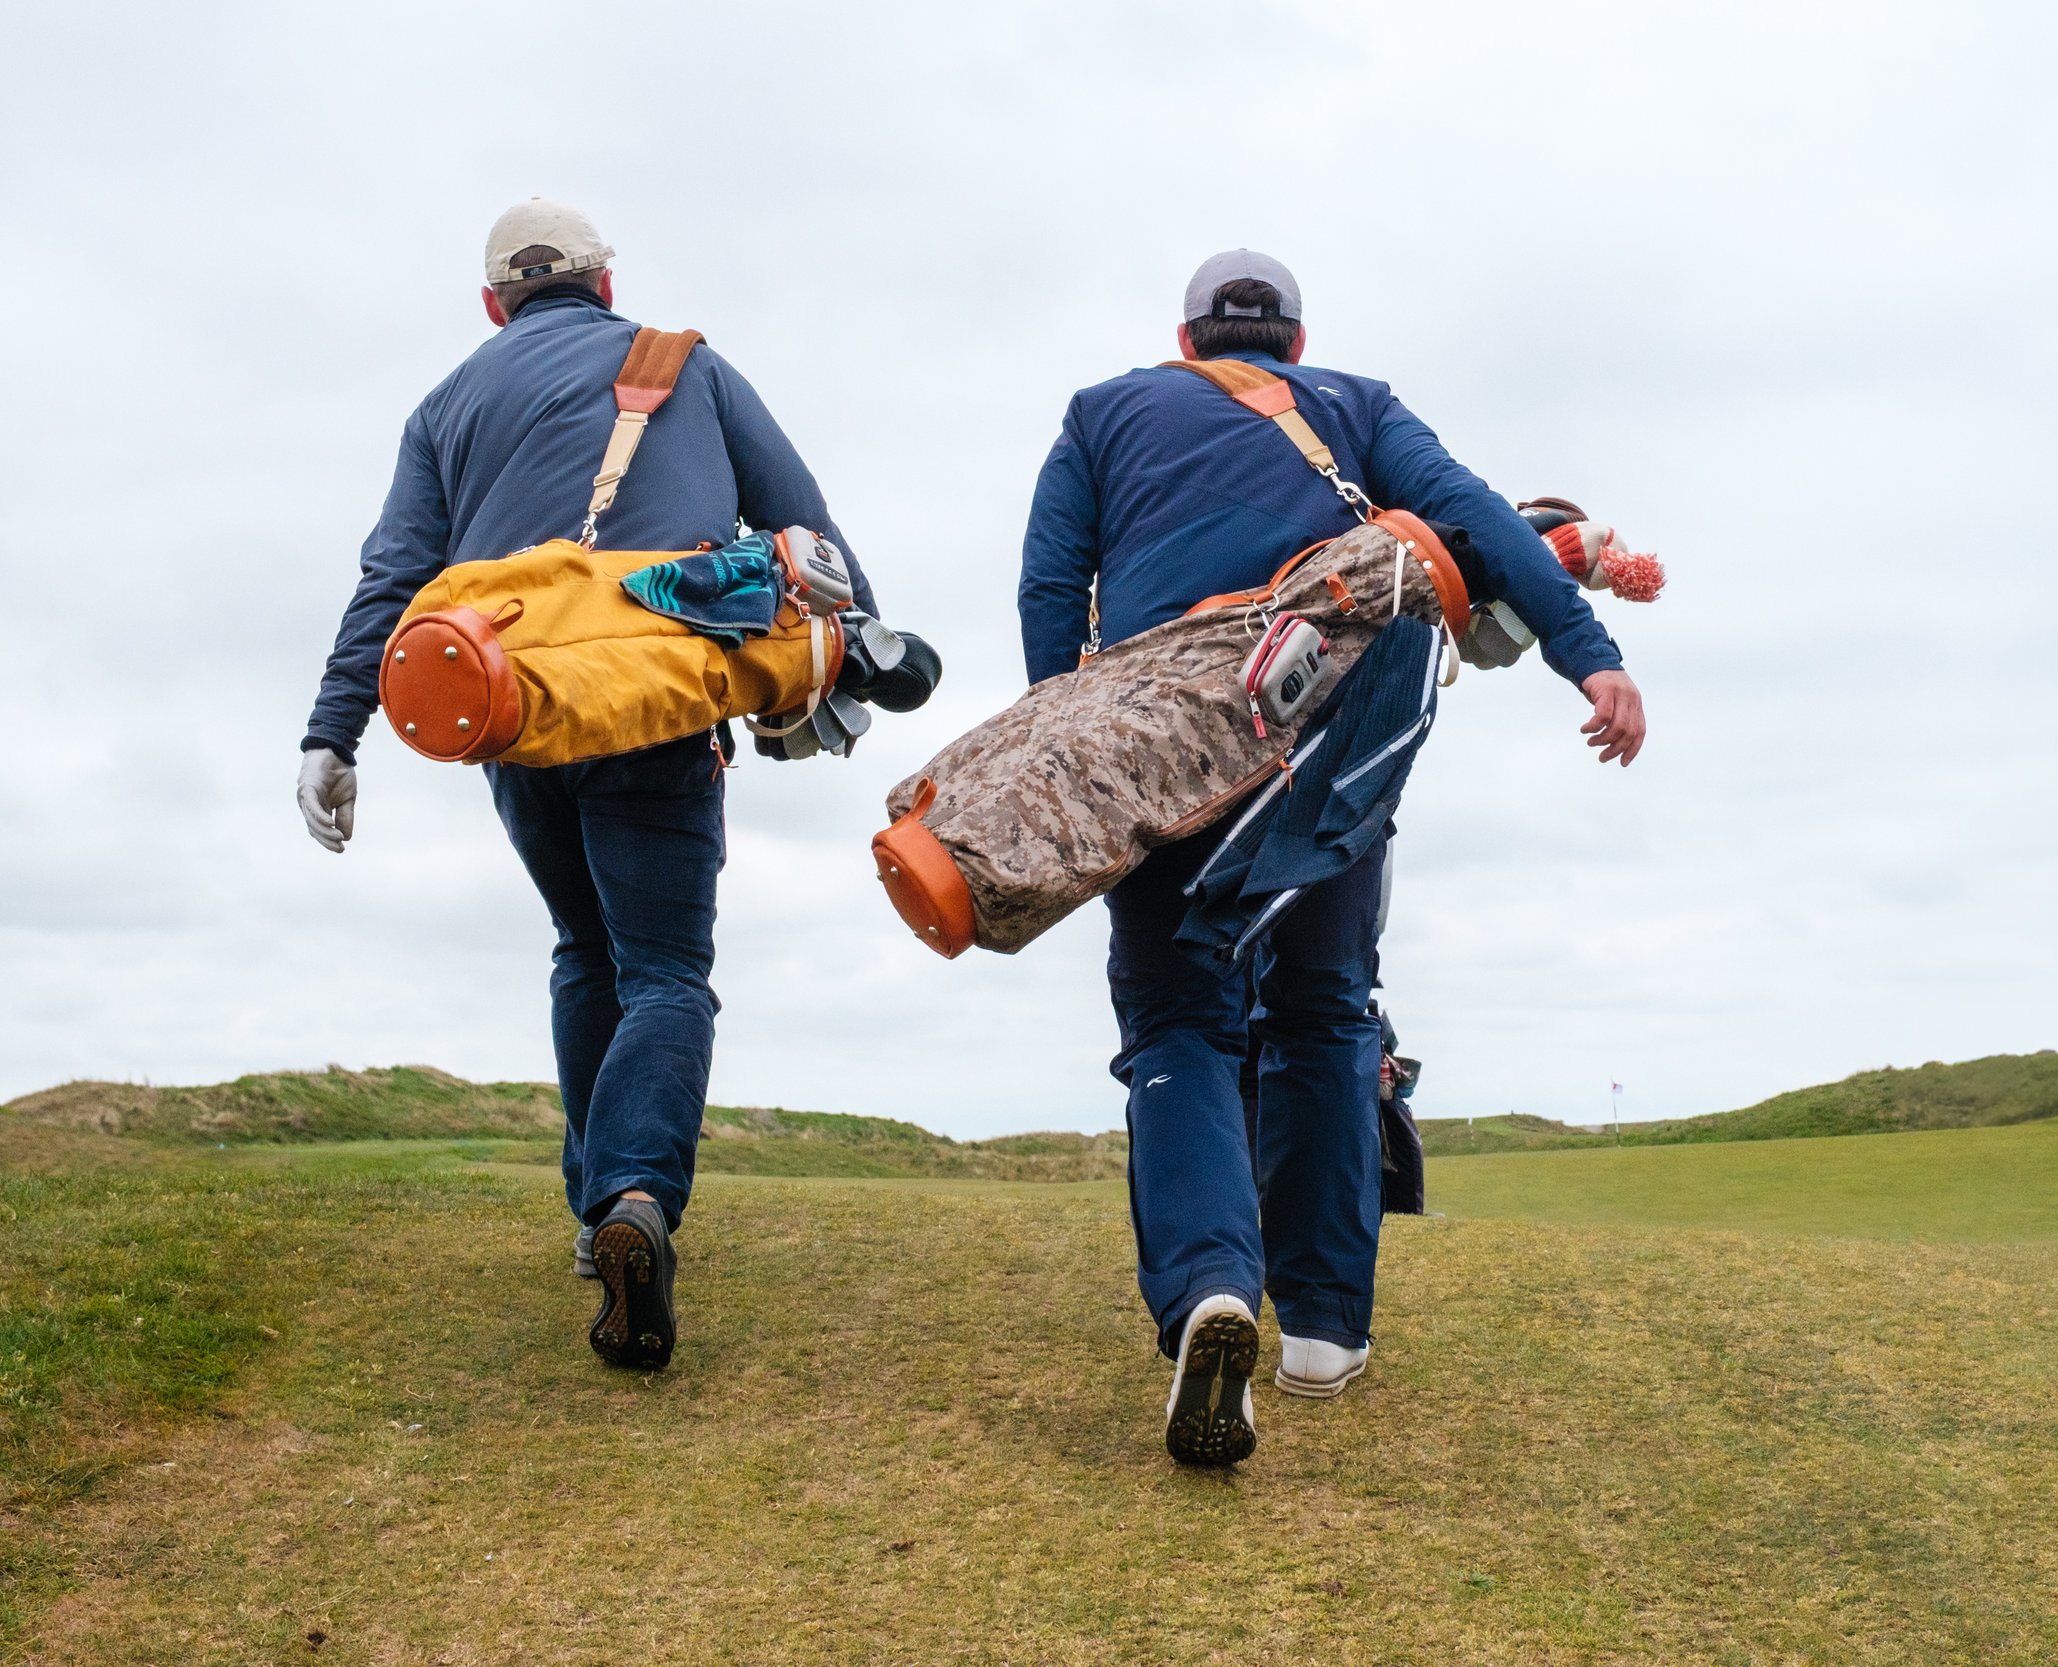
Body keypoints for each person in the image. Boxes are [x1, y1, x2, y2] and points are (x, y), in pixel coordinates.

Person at [1018, 250, 1646, 1465]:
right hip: (1334, 752)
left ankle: (1209, 1284)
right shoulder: (1355, 407)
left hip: (1161, 743)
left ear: (1186, 338)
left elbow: (1054, 584)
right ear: (1295, 346)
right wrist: (1590, 652)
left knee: (1178, 1018)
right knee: (1321, 1010)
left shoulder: (1102, 412)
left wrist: (1067, 740)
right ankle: (1319, 1331)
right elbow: (1473, 519)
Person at [294, 199, 875, 1371]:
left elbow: (393, 576)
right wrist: (857, 658)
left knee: (581, 948)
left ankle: (592, 1210)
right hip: (657, 706)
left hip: (518, 716)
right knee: (665, 970)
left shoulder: (446, 404)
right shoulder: (686, 367)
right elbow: (813, 534)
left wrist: (332, 732)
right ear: (606, 287)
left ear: (493, 303)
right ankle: (635, 1198)